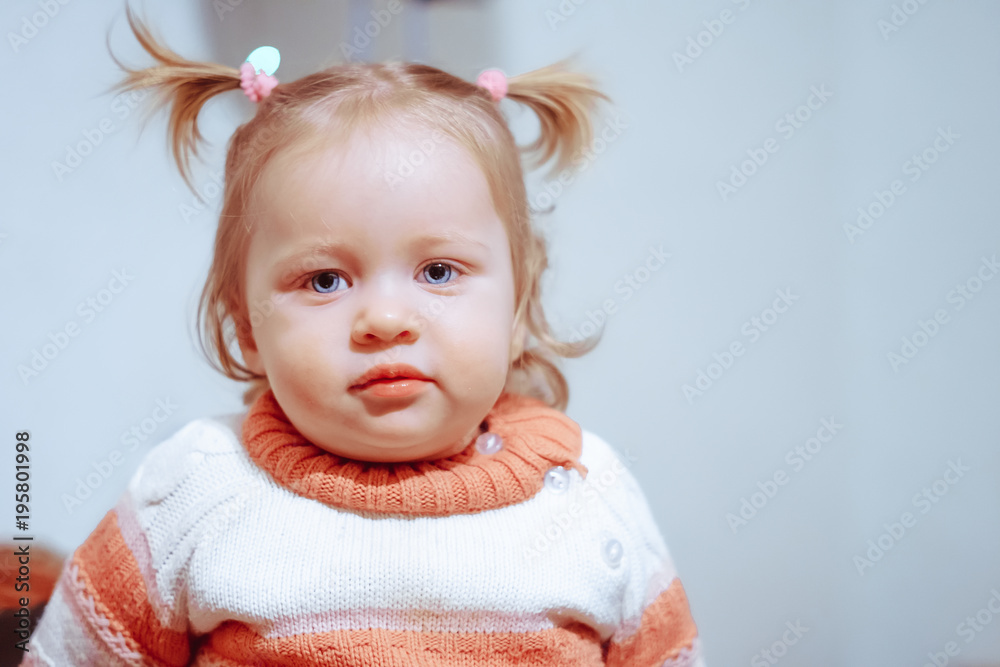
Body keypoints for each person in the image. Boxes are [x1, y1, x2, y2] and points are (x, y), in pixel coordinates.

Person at [22, 5, 706, 666]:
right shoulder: (194, 490)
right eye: (323, 280)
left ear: (519, 306)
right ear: (245, 328)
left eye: (438, 270)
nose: (385, 319)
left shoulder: (587, 494)